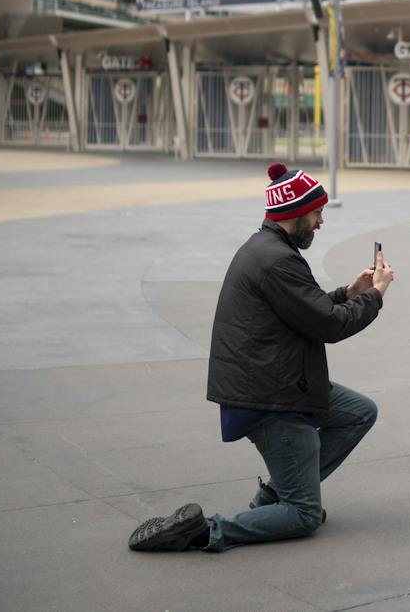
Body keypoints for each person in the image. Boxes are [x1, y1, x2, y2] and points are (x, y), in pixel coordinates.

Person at [128, 163, 394, 552]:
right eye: (317, 212)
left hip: (275, 378)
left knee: (358, 411)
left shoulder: (268, 249)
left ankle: (274, 497)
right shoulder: (277, 260)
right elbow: (330, 327)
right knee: (303, 514)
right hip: (271, 394)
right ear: (295, 213)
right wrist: (376, 295)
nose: (321, 221)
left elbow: (308, 308)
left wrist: (349, 292)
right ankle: (205, 531)